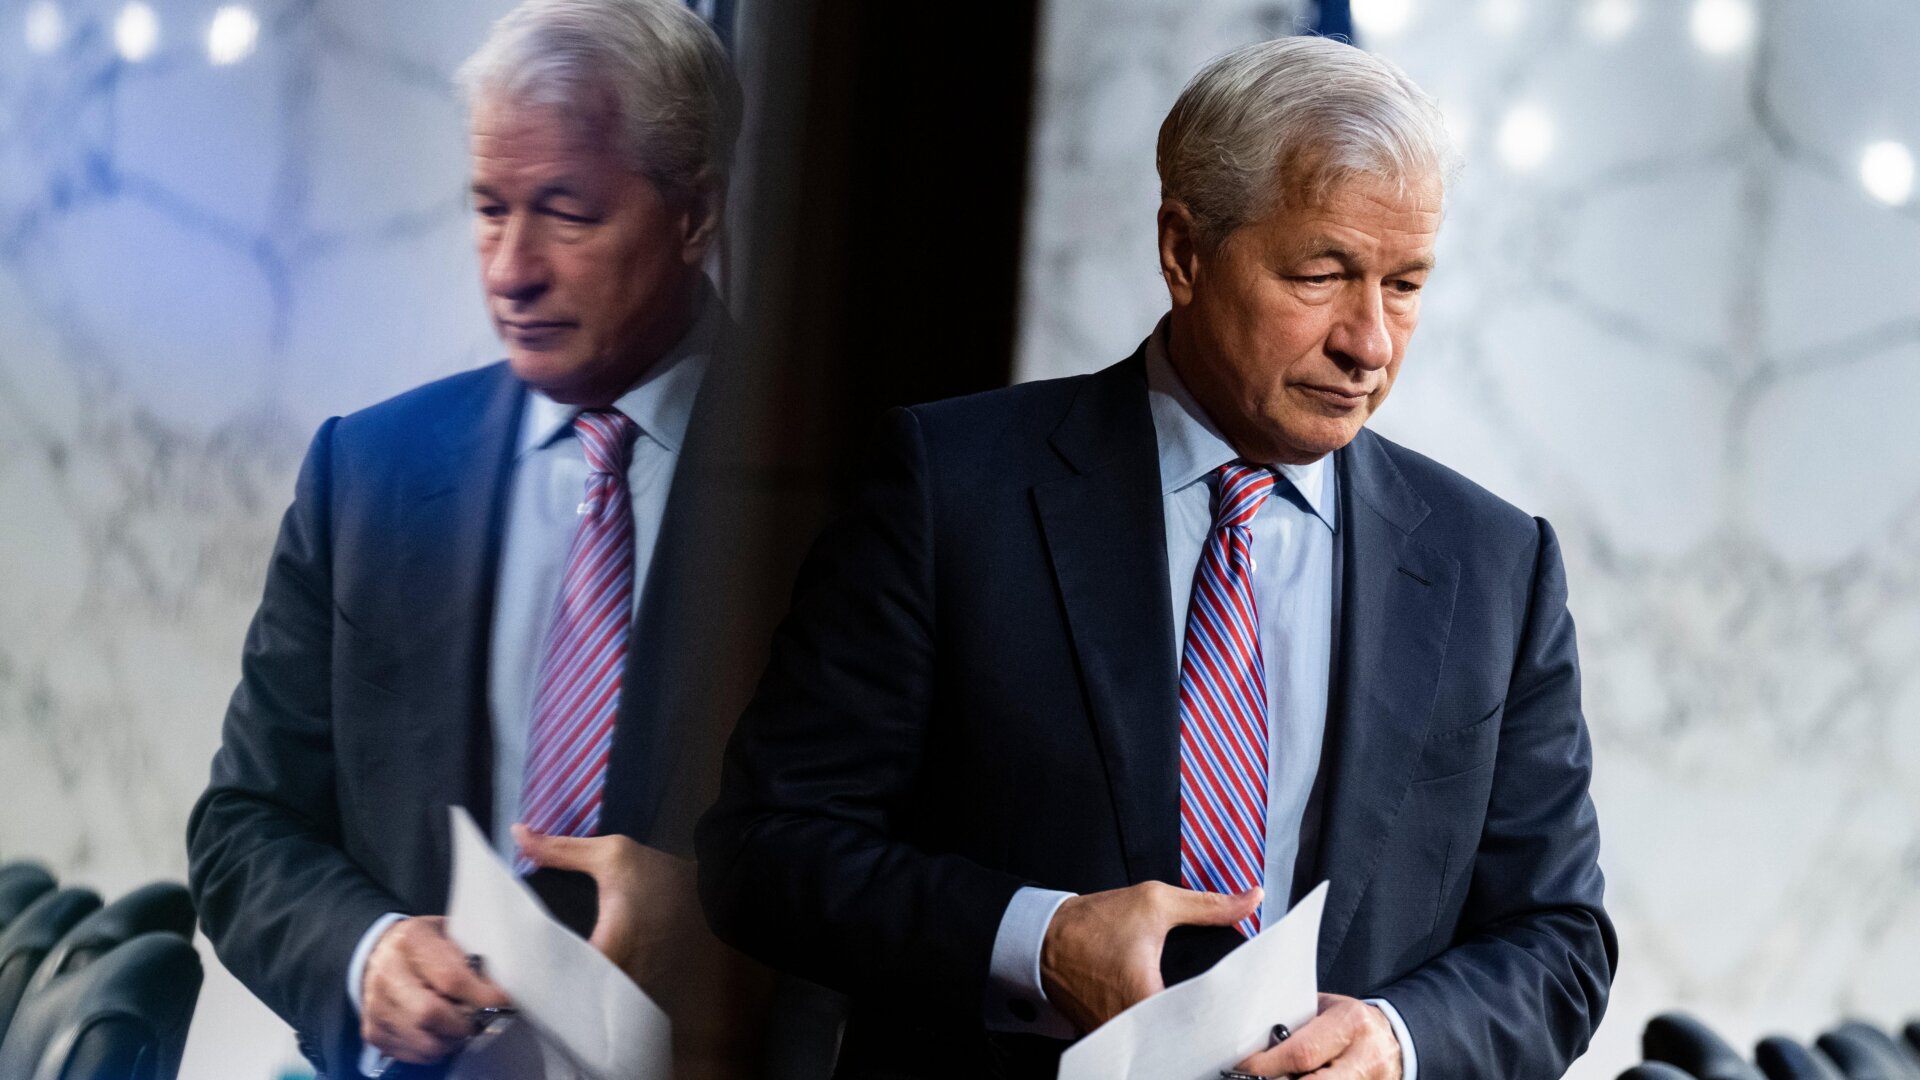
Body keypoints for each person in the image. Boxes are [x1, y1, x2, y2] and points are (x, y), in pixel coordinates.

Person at [697, 35, 1616, 1080]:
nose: (1369, 342)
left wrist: (1396, 1041)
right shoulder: (952, 488)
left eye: (1403, 285)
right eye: (1321, 275)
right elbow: (766, 852)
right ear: (1184, 251)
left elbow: (1559, 944)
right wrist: (1035, 942)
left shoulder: (1496, 565)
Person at [185, 1, 758, 1075]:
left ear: (697, 214)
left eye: (567, 214)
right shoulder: (370, 473)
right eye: (489, 209)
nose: (510, 267)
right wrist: (368, 952)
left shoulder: (845, 482)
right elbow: (244, 828)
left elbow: (937, 872)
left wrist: (721, 922)